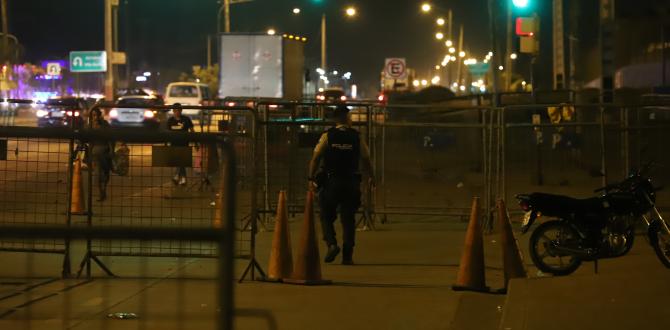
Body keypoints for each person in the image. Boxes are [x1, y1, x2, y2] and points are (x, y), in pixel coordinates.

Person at [308, 105, 375, 265]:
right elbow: (366, 160)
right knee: (348, 219)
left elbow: (316, 158)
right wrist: (371, 177)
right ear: (346, 118)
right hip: (351, 182)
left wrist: (310, 179)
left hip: (332, 182)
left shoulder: (328, 136)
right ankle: (347, 255)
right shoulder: (356, 137)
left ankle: (331, 244)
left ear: (335, 119)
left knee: (326, 215)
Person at [166, 103, 194, 185]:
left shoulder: (186, 119)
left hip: (184, 143)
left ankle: (178, 177)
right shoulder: (170, 120)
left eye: (179, 110)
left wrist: (195, 140)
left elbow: (192, 130)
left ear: (181, 110)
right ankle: (182, 178)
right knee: (180, 161)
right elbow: (167, 132)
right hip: (174, 143)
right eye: (175, 111)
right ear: (173, 111)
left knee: (181, 161)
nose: (177, 112)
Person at [89, 106, 113, 201]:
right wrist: (89, 153)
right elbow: (90, 141)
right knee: (97, 174)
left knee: (106, 172)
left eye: (96, 115)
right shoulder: (90, 126)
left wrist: (111, 150)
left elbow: (110, 138)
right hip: (95, 152)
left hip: (105, 151)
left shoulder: (105, 124)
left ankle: (104, 190)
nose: (94, 117)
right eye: (93, 115)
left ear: (99, 115)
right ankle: (101, 193)